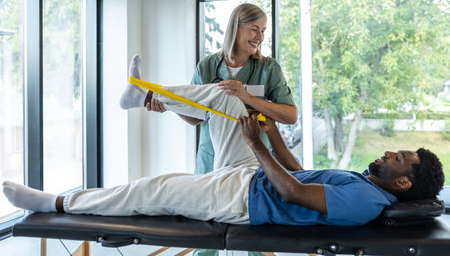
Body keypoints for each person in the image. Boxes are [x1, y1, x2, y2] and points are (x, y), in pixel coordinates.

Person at [3, 57, 445, 227]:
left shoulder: (367, 203)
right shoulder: (364, 182)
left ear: (403, 183)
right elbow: (295, 170)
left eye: (398, 158)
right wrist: (270, 135)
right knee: (230, 94)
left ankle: (55, 203)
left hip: (242, 197)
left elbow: (291, 192)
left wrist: (257, 146)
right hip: (251, 172)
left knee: (148, 190)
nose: (389, 153)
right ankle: (143, 93)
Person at [140, 3, 298, 175]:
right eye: (254, 29)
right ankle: (152, 95)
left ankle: (143, 94)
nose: (260, 36)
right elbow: (195, 118)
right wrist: (169, 107)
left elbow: (290, 116)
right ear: (236, 28)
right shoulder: (207, 66)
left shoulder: (268, 68)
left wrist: (249, 98)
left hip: (253, 160)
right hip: (212, 158)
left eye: (263, 30)